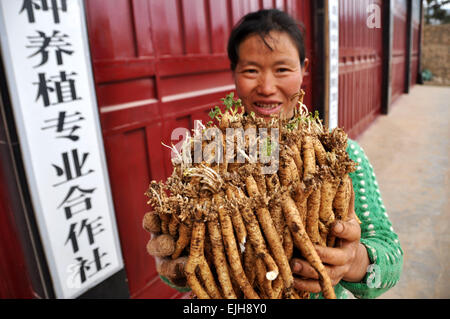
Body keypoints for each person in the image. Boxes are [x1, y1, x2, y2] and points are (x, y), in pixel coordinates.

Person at [144, 8, 403, 299]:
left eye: (282, 69)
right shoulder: (206, 160)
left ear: (304, 69)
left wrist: (354, 261)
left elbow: (391, 258)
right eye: (251, 71)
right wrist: (175, 267)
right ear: (233, 73)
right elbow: (186, 264)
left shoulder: (339, 157)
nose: (267, 88)